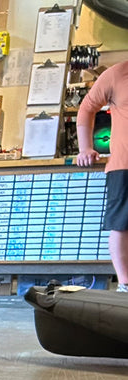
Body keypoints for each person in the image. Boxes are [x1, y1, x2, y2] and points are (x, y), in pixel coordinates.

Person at [77, 63, 128, 290]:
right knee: (121, 225)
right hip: (124, 165)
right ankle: (126, 284)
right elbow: (87, 108)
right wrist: (85, 147)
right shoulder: (117, 74)